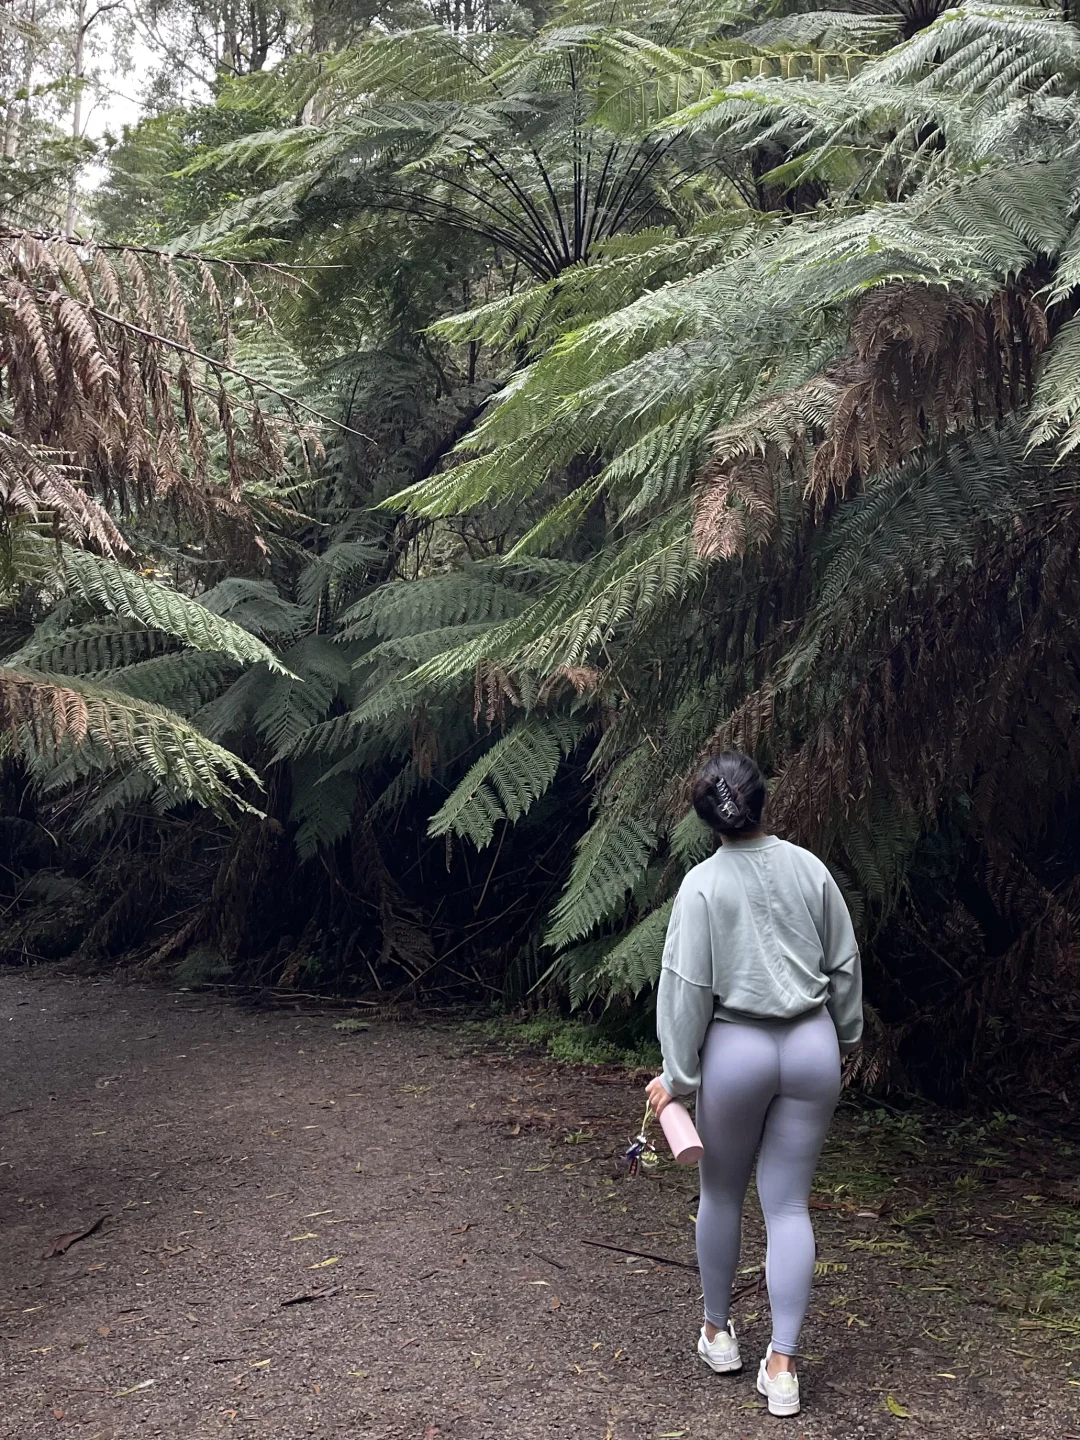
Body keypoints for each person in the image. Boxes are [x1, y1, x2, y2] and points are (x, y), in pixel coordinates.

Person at [645, 751, 862, 1419]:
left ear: (706, 816)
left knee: (721, 1191)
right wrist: (843, 1036)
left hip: (736, 1050)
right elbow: (845, 963)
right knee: (789, 1205)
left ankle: (718, 1333)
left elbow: (685, 991)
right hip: (811, 1043)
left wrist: (677, 1079)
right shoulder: (810, 869)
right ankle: (785, 1364)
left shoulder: (704, 886)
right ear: (762, 800)